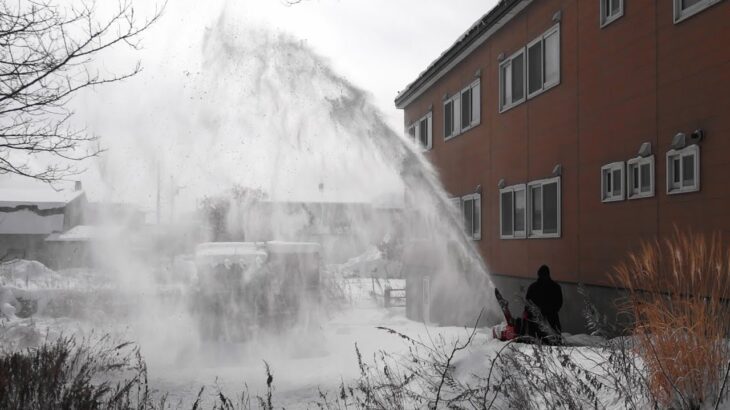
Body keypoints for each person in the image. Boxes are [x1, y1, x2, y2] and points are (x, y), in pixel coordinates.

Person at [525, 265, 563, 342]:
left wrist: (530, 313)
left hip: (536, 319)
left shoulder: (533, 287)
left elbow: (528, 303)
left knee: (537, 340)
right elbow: (559, 302)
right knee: (553, 340)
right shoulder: (555, 287)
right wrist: (552, 311)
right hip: (552, 317)